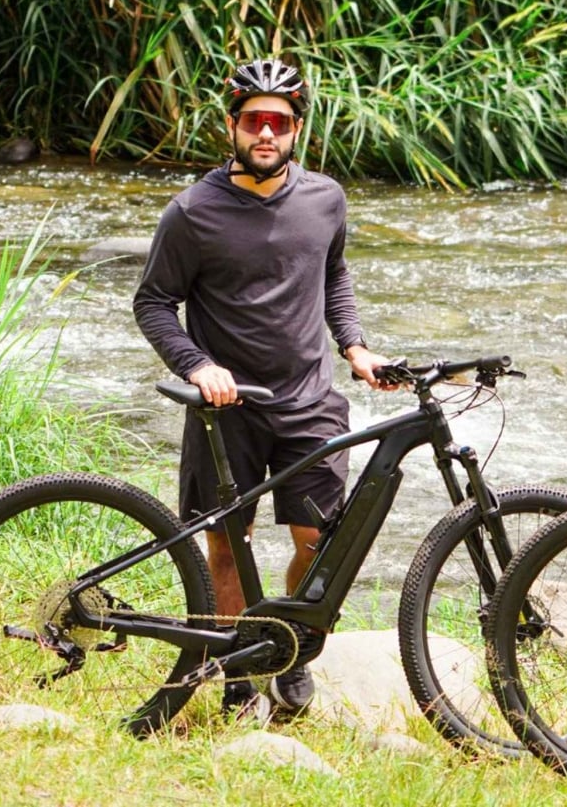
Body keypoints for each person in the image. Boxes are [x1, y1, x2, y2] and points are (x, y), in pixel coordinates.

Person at [133, 57, 396, 722]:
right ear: (233, 125)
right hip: (229, 409)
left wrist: (355, 344)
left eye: (280, 121)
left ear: (296, 129)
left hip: (310, 398)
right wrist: (197, 364)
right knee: (228, 541)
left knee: (318, 538)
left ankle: (291, 652)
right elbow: (154, 302)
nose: (267, 132)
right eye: (255, 120)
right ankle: (234, 671)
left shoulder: (325, 199)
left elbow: (332, 273)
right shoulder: (192, 213)